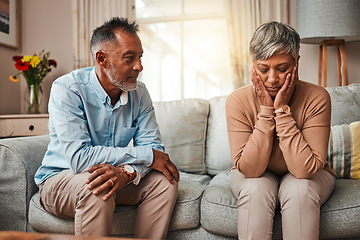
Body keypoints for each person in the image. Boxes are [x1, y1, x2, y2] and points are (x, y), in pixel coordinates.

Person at [34, 17, 179, 239]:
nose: (139, 66)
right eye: (129, 58)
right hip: (61, 178)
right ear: (101, 58)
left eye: (140, 57)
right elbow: (80, 158)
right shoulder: (68, 89)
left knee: (165, 182)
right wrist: (146, 156)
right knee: (97, 186)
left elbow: (154, 147)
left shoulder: (140, 93)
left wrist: (128, 172)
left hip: (113, 176)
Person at [226, 21, 336, 240]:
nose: (272, 79)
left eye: (283, 69)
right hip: (256, 172)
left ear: (296, 63)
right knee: (254, 190)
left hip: (309, 173)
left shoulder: (317, 97)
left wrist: (282, 112)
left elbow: (306, 170)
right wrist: (267, 111)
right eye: (263, 69)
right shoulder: (237, 101)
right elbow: (250, 169)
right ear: (253, 66)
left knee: (299, 190)